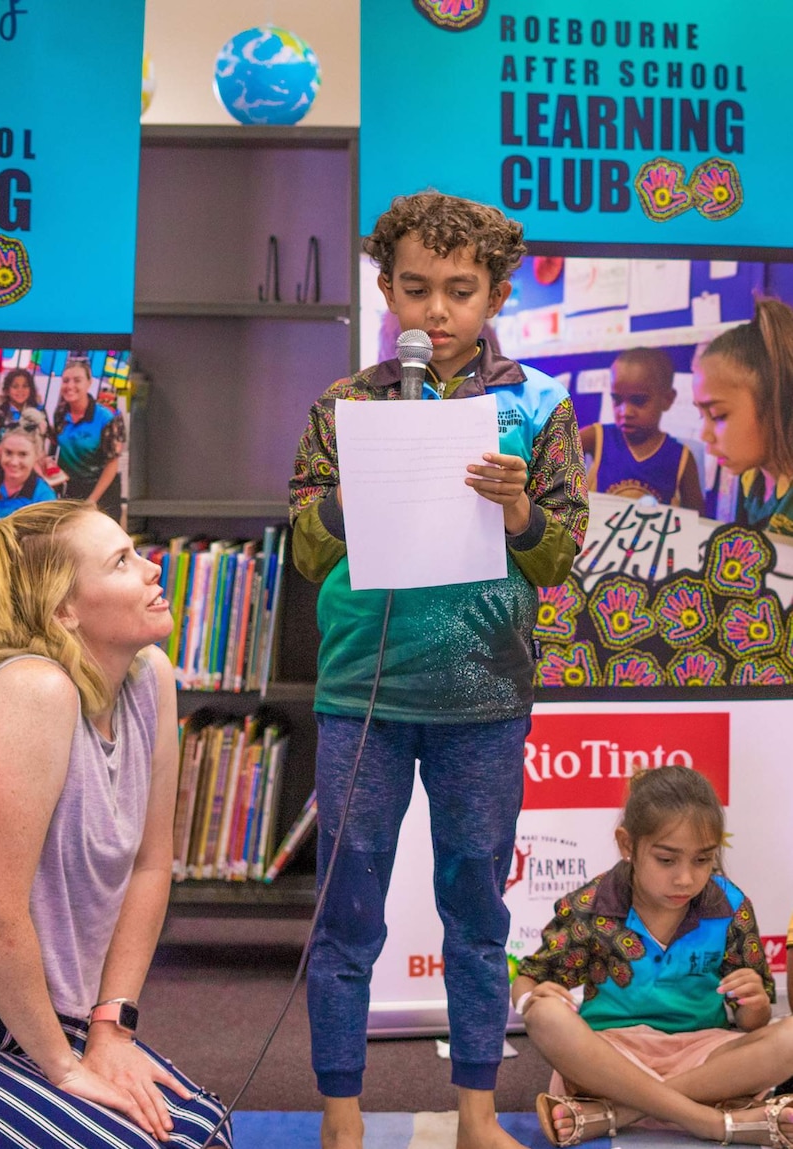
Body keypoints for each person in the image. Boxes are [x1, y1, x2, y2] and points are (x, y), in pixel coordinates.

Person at [289, 190, 588, 1149]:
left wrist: (518, 512)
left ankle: (472, 1110)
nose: (436, 311)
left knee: (475, 906)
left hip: (486, 697)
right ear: (386, 288)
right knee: (349, 906)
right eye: (415, 289)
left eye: (461, 291)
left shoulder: (538, 404)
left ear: (496, 292)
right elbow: (301, 553)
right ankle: (340, 1113)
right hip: (362, 693)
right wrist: (349, 490)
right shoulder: (344, 405)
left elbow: (558, 556)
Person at [0, 500, 232, 1148]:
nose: (153, 570)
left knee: (202, 1133)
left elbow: (153, 863)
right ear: (65, 609)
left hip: (49, 1007)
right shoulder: (34, 690)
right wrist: (65, 1067)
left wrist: (111, 1028)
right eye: (122, 561)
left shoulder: (150, 677)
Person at [512, 765, 793, 1147]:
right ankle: (713, 1122)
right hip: (612, 1057)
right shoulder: (592, 905)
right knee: (544, 1016)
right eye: (666, 860)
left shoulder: (731, 905)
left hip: (704, 1054)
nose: (685, 879)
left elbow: (751, 1023)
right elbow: (529, 976)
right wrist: (532, 995)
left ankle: (620, 1114)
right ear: (628, 845)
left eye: (702, 860)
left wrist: (755, 1004)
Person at [693, 298, 793, 537]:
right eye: (701, 416)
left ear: (776, 403)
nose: (703, 435)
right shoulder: (752, 478)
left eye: (718, 415)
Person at [580, 347, 704, 512]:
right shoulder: (597, 437)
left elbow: (698, 518)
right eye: (617, 400)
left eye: (638, 401)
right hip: (599, 537)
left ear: (667, 399)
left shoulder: (681, 458)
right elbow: (552, 451)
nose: (625, 412)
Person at [50, 355, 126, 520]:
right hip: (72, 491)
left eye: (77, 380)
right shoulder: (60, 413)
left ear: (89, 382)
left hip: (102, 493)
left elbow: (112, 463)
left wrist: (91, 501)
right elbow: (58, 448)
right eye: (66, 380)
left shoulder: (107, 418)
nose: (70, 386)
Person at [0, 409, 58, 523]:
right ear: (0, 451)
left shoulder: (44, 497)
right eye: (8, 453)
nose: (14, 462)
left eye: (23, 454)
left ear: (36, 456)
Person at [0, 366, 45, 465]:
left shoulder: (36, 411)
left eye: (25, 386)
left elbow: (41, 438)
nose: (20, 390)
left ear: (31, 389)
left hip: (27, 459)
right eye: (15, 386)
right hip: (0, 457)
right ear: (7, 391)